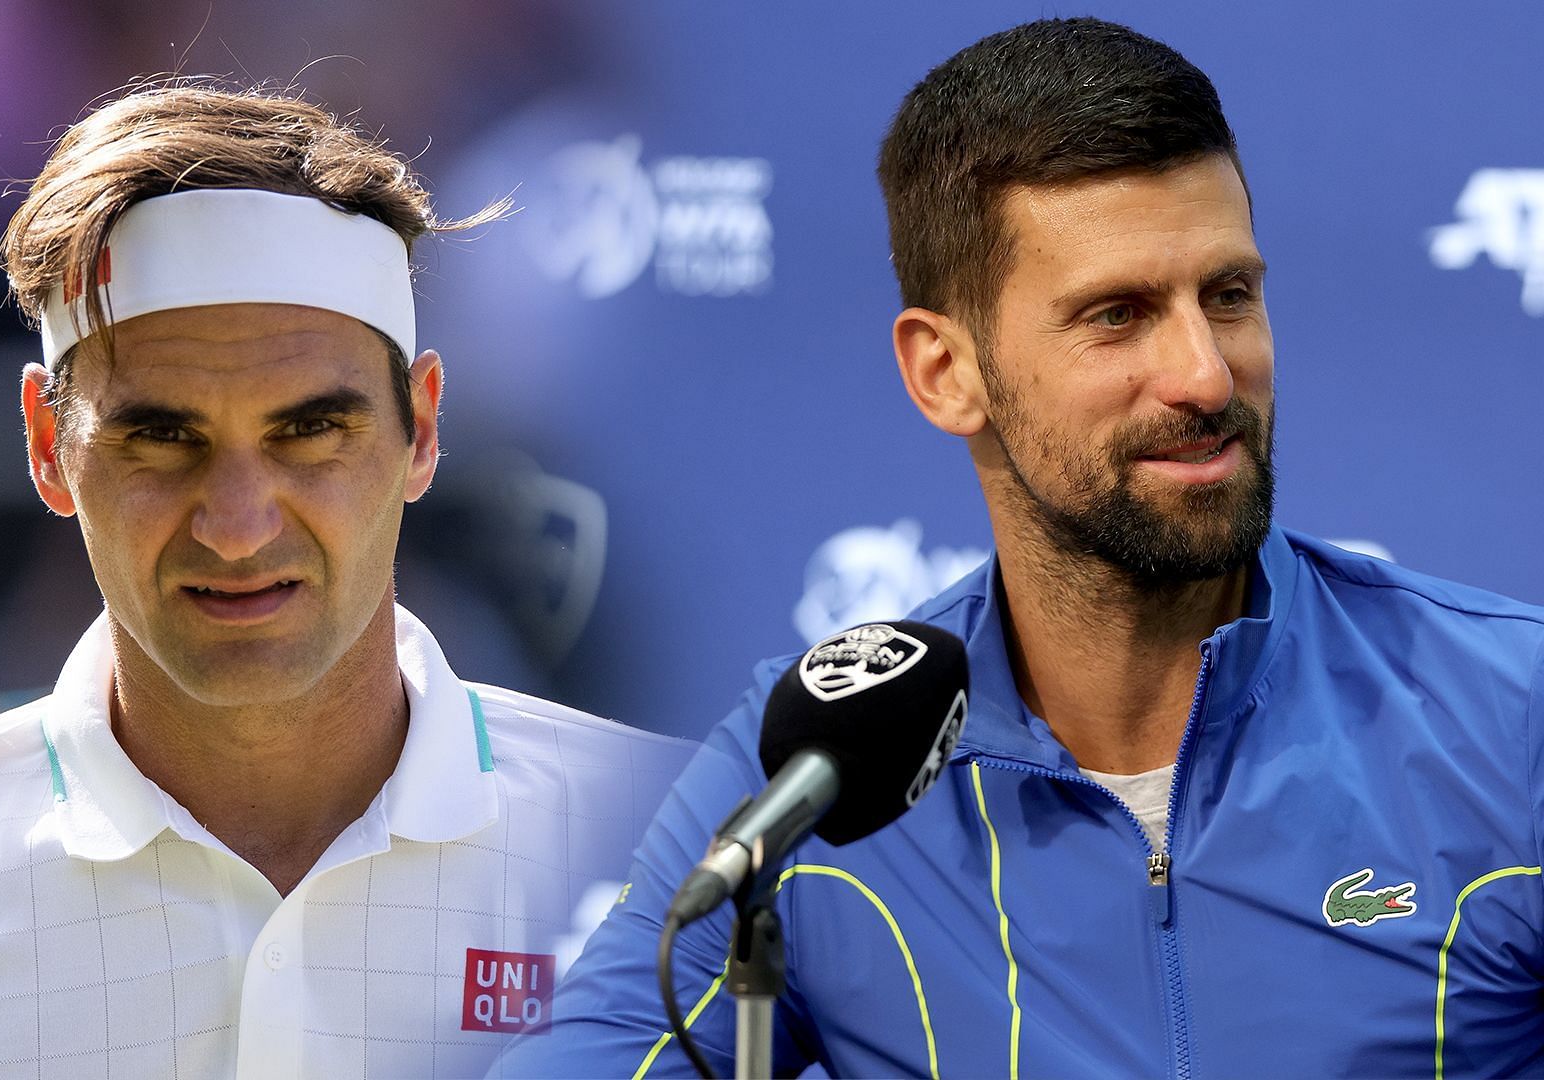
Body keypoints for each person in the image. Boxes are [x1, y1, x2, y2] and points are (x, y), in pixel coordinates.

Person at [510, 18, 1544, 1078]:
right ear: (944, 372)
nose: (1205, 374)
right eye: (1117, 315)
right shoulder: (816, 777)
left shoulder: (1512, 720)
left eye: (1227, 296)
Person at [0, 84, 691, 1079]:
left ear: (421, 430)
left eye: (310, 432)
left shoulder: (695, 858)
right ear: (47, 446)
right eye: (160, 439)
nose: (238, 527)